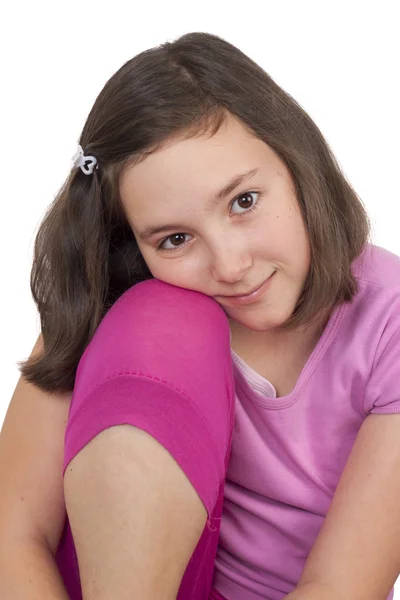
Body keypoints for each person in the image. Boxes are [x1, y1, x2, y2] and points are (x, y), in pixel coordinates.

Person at [0, 30, 399, 600]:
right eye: (175, 239)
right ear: (131, 242)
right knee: (161, 319)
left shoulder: (389, 321)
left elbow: (339, 587)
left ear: (295, 161)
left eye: (244, 201)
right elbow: (13, 535)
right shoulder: (116, 301)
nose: (231, 266)